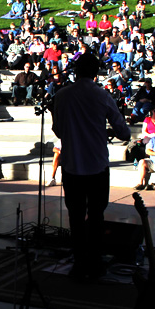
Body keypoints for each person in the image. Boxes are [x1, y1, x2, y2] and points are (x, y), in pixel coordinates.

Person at [51, 53, 131, 280]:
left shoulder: (62, 95)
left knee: (75, 216)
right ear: (96, 72)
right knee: (96, 215)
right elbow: (123, 132)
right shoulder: (102, 95)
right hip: (96, 164)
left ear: (76, 71)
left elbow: (58, 130)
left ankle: (79, 260)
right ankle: (95, 261)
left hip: (71, 164)